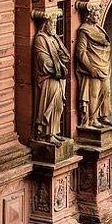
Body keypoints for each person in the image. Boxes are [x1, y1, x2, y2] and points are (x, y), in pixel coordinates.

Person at [75, 5, 112, 129]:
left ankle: (103, 115)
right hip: (94, 67)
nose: (98, 17)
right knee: (94, 94)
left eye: (99, 15)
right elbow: (80, 51)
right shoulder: (84, 31)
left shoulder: (98, 28)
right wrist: (90, 68)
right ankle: (92, 119)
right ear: (89, 16)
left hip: (104, 65)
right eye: (96, 15)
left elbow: (105, 45)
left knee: (106, 91)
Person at [33, 15, 69, 146]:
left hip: (58, 78)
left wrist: (58, 41)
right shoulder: (40, 39)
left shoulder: (53, 39)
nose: (54, 26)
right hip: (49, 78)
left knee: (58, 106)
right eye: (52, 24)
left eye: (55, 24)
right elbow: (43, 60)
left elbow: (65, 56)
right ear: (45, 25)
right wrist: (57, 67)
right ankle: (46, 134)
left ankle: (54, 132)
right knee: (50, 105)